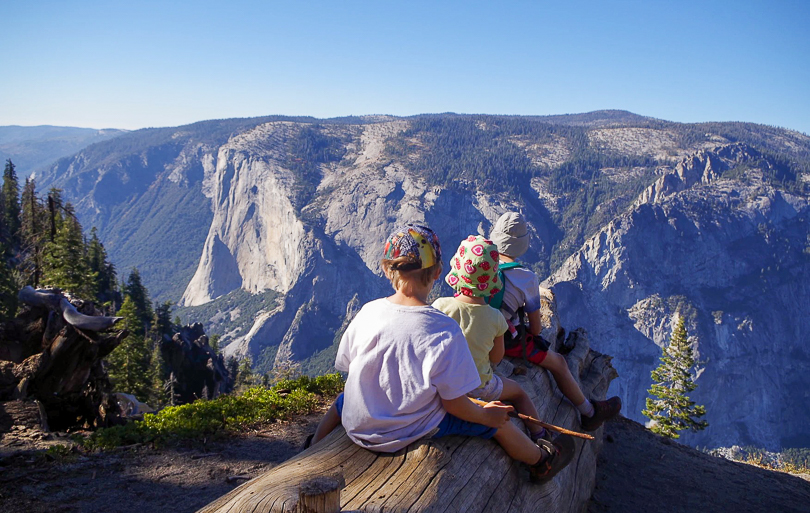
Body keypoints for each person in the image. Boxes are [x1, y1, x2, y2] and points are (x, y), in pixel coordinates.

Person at [310, 223, 574, 484]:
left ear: (385, 268)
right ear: (437, 272)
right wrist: (485, 415)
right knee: (500, 424)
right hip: (406, 430)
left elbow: (350, 366)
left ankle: (311, 449)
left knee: (343, 399)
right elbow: (453, 403)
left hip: (358, 425)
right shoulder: (442, 329)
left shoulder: (367, 312)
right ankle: (541, 460)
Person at [489, 212, 622, 431]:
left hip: (473, 329)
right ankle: (589, 412)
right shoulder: (525, 278)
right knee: (559, 362)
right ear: (523, 245)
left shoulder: (477, 263)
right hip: (503, 339)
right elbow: (536, 327)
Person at [432, 235, 548, 442]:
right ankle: (539, 433)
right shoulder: (496, 318)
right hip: (479, 386)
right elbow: (496, 357)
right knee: (520, 393)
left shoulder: (440, 306)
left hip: (445, 385)